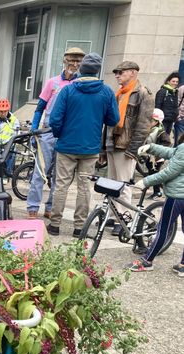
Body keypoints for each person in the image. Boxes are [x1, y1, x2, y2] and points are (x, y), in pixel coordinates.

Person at [47, 53, 119, 237]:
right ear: (97, 71)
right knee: (84, 187)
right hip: (90, 147)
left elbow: (55, 119)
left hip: (66, 146)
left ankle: (55, 225)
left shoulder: (68, 90)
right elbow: (114, 119)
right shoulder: (106, 91)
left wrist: (60, 134)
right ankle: (79, 227)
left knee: (61, 185)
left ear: (81, 69)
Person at [27, 47, 85, 219]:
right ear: (64, 61)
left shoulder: (80, 83)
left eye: (78, 62)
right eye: (71, 61)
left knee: (60, 176)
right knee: (40, 171)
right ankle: (32, 207)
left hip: (67, 134)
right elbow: (40, 108)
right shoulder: (52, 82)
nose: (74, 65)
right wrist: (34, 129)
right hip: (47, 132)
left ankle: (51, 207)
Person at [104, 60, 154, 237]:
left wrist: (133, 150)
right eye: (116, 72)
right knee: (110, 183)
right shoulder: (119, 93)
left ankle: (124, 219)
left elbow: (143, 125)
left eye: (121, 72)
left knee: (123, 185)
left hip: (126, 146)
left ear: (133, 72)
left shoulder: (142, 93)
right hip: (112, 143)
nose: (117, 75)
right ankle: (112, 215)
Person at [129, 134, 184, 273]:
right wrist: (151, 148)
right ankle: (183, 265)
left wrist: (146, 181)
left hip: (177, 196)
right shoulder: (182, 149)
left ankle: (147, 261)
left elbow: (169, 172)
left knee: (163, 229)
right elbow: (172, 152)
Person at [140, 108, 172, 200]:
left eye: (152, 120)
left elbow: (167, 143)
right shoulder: (149, 130)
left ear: (157, 121)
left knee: (154, 174)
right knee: (152, 173)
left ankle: (157, 191)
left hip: (158, 157)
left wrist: (157, 150)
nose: (149, 122)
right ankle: (160, 188)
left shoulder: (160, 131)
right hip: (150, 157)